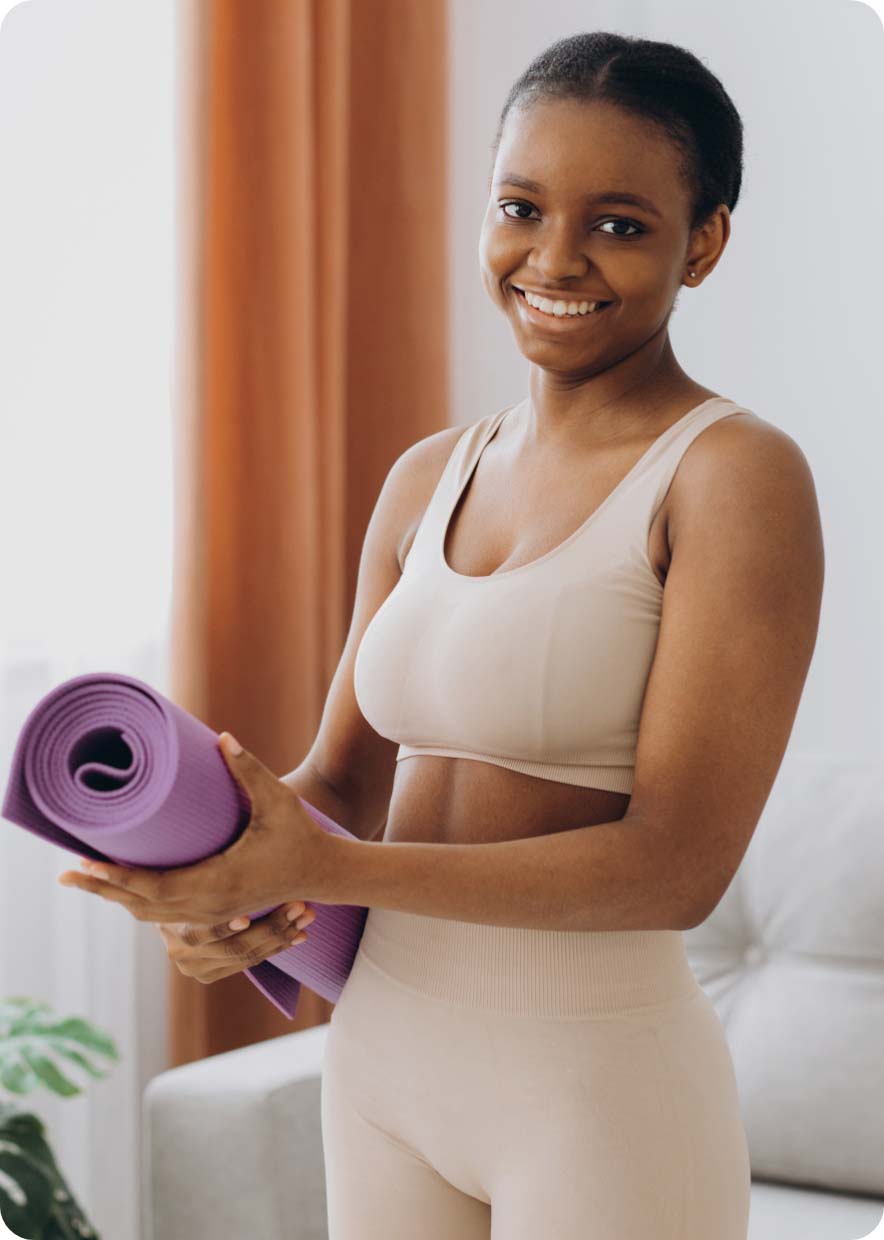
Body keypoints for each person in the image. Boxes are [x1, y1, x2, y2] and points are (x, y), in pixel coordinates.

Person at [314, 30, 825, 1240]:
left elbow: (676, 866)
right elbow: (338, 780)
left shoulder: (731, 476)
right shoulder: (426, 475)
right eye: (518, 206)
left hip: (595, 1089)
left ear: (701, 241)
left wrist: (318, 869)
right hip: (379, 1054)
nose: (553, 258)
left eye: (618, 223)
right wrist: (215, 861)